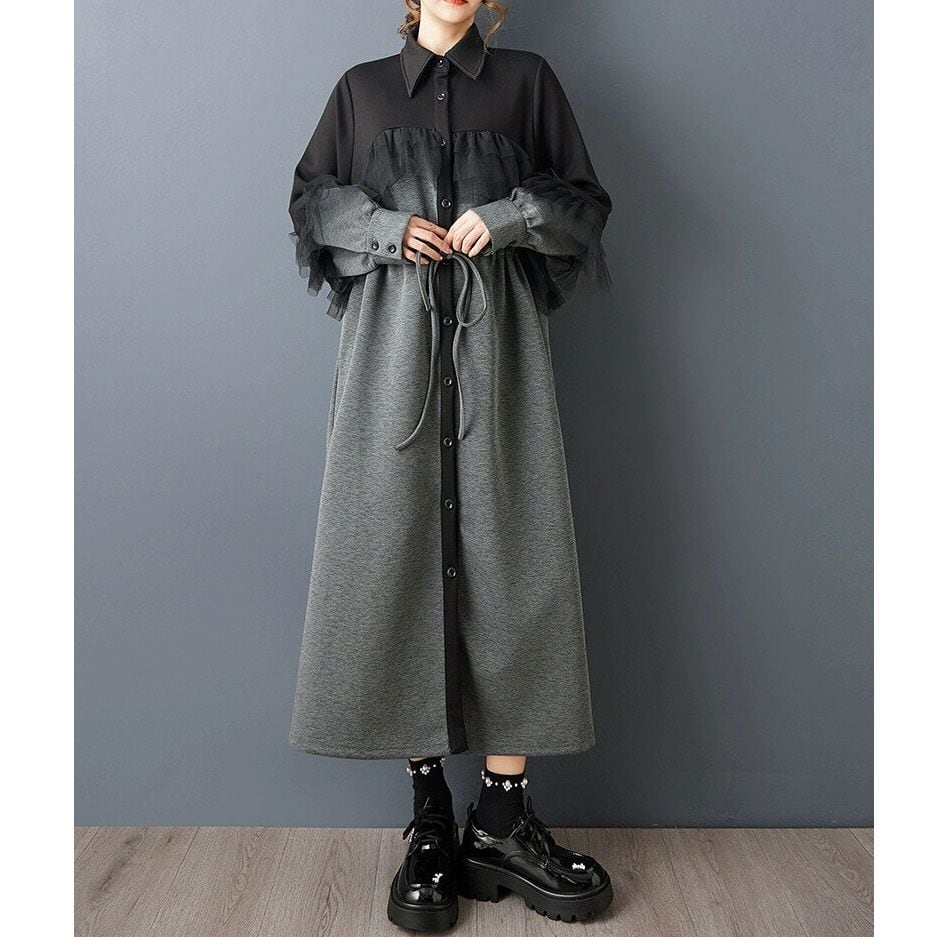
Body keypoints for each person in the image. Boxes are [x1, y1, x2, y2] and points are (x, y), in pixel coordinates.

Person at [287, 0, 614, 929]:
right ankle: (429, 817)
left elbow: (584, 203)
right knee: (391, 557)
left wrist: (509, 216)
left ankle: (501, 820)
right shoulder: (360, 91)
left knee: (517, 559)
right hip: (389, 360)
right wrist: (385, 227)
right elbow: (310, 201)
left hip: (497, 356)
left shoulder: (528, 83)